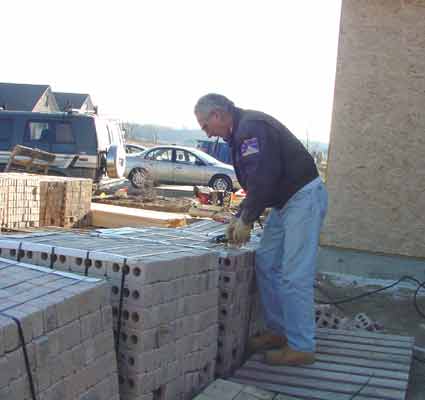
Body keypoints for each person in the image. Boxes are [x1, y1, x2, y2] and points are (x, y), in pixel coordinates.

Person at [194, 94, 328, 366]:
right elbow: (258, 183)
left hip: (302, 198)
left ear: (218, 114)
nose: (205, 131)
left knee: (294, 274)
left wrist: (247, 220)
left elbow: (264, 177)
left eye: (205, 124)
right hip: (285, 202)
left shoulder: (251, 128)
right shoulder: (239, 133)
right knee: (266, 261)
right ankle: (279, 332)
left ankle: (302, 347)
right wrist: (240, 215)